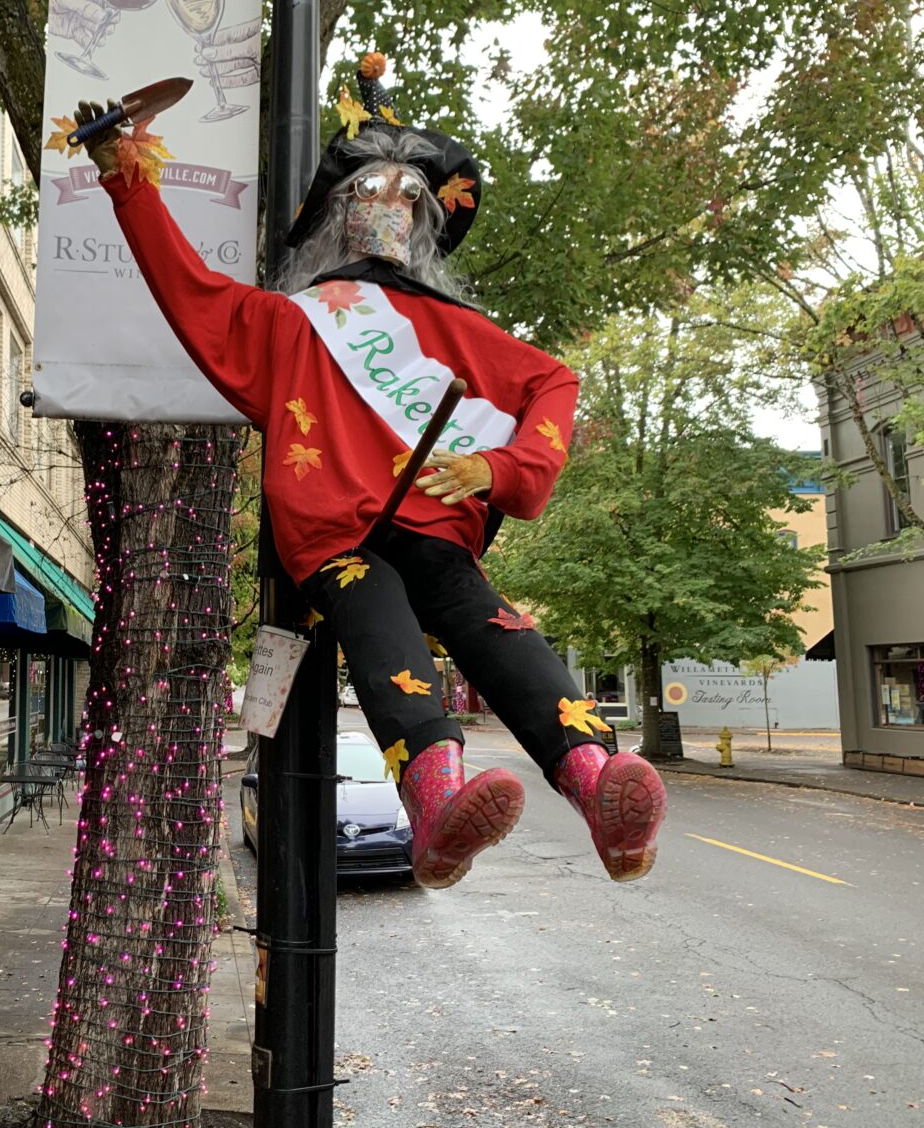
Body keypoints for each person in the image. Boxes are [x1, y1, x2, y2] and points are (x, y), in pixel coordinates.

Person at [62, 54, 668, 888]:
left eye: (406, 194)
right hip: (337, 532)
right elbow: (191, 291)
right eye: (367, 192)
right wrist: (128, 178)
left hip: (435, 529)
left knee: (495, 626)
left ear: (424, 219)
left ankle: (597, 781)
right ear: (336, 216)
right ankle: (435, 794)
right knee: (379, 617)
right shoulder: (290, 321)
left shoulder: (453, 326)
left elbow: (552, 383)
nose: (386, 207)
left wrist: (500, 468)